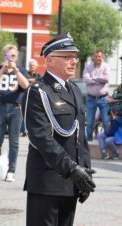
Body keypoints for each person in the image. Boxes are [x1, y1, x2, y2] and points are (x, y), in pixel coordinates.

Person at [22, 32, 96, 226]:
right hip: (47, 181)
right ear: (50, 61)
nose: (73, 61)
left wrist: (84, 172)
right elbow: (41, 138)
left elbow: (80, 136)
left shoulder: (74, 90)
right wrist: (72, 169)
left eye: (74, 57)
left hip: (71, 181)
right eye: (67, 57)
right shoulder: (38, 91)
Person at [0, 44, 29, 182]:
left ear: (17, 57)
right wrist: (3, 69)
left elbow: (26, 85)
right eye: (8, 56)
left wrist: (16, 71)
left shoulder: (21, 70)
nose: (11, 58)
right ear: (4, 56)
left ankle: (11, 171)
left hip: (16, 109)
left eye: (13, 56)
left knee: (14, 142)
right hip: (0, 108)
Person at [83, 50, 110, 141]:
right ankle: (89, 143)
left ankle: (106, 141)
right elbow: (86, 80)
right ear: (93, 57)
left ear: (102, 57)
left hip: (103, 98)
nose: (98, 58)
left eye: (99, 56)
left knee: (106, 122)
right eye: (96, 56)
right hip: (91, 98)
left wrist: (93, 79)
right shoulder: (88, 67)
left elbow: (106, 79)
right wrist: (98, 80)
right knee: (90, 122)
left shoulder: (106, 66)